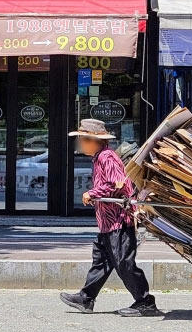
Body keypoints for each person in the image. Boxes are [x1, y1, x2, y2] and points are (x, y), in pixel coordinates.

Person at [60, 119, 158, 317]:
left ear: (93, 140)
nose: (80, 143)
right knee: (102, 261)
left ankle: (145, 301)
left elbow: (119, 184)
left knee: (124, 263)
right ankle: (86, 298)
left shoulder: (107, 157)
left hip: (118, 221)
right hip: (107, 223)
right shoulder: (99, 157)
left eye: (82, 139)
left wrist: (92, 193)